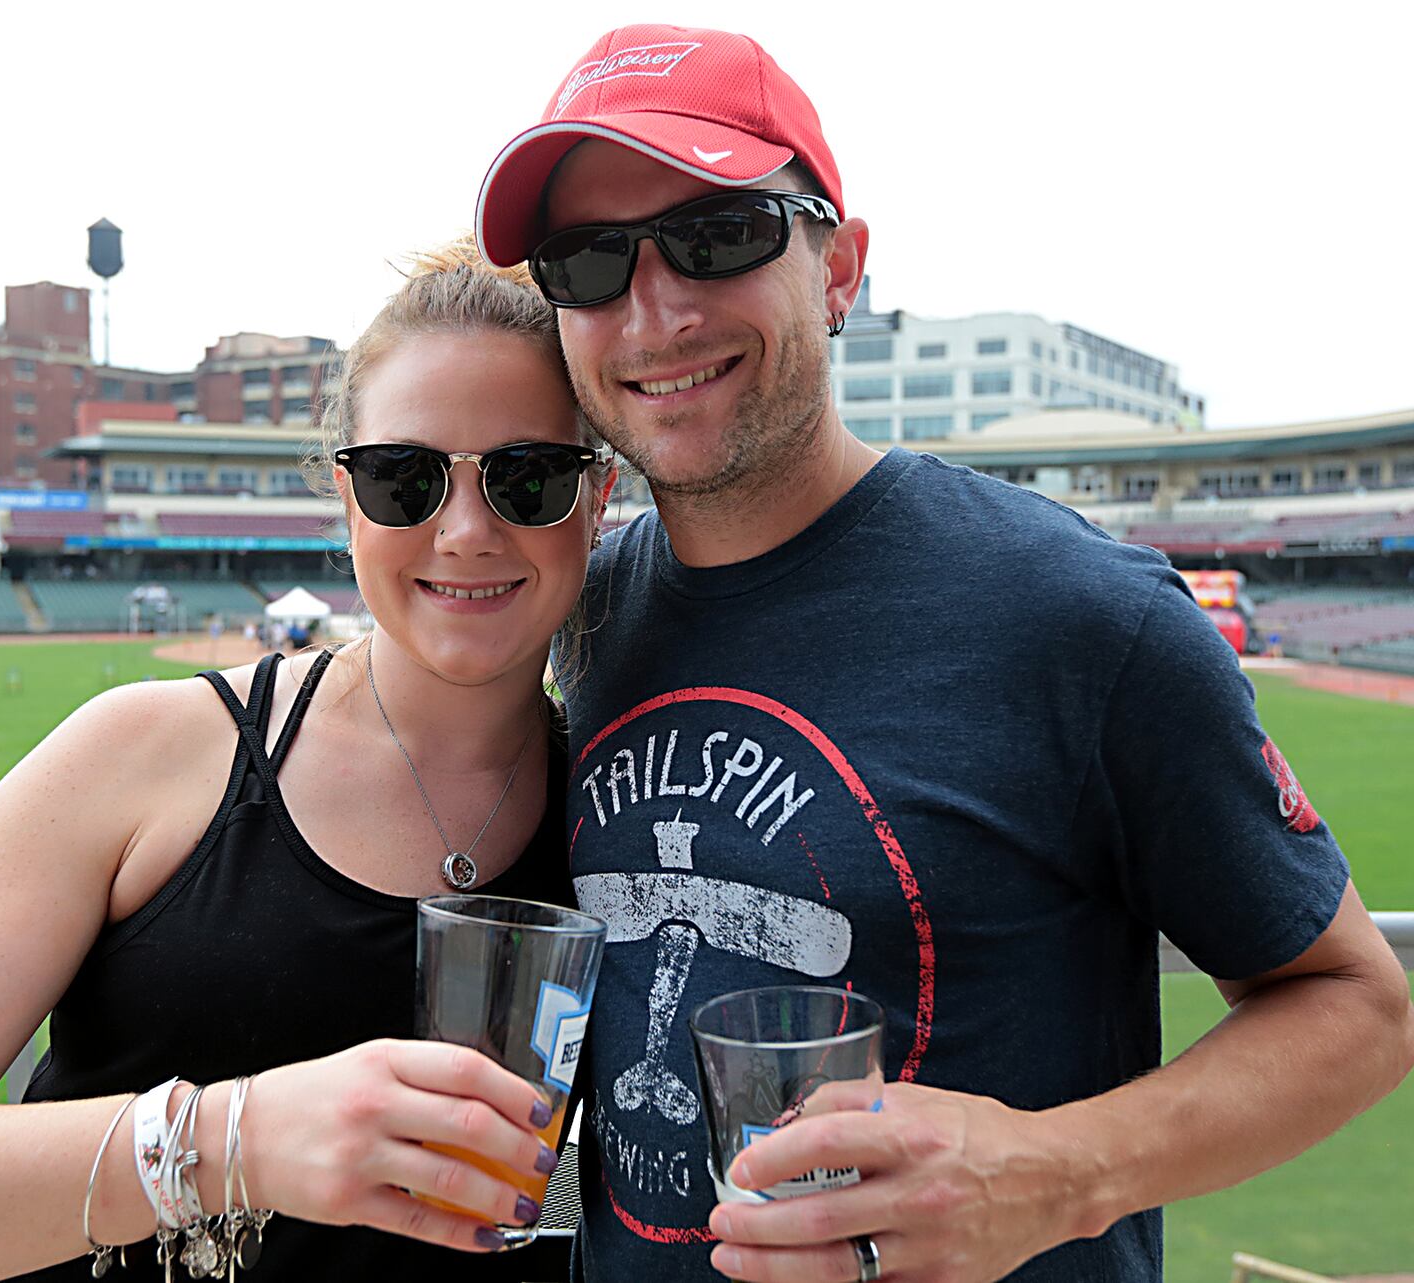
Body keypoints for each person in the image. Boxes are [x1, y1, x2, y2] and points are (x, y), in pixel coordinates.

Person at [473, 24, 1414, 1283]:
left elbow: (1356, 1005)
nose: (654, 308)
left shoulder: (1082, 613)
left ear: (841, 268)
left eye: (720, 234)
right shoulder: (583, 610)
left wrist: (1061, 1168)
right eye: (588, 262)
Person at [0, 240, 615, 1281]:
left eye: (527, 476)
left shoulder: (630, 812)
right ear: (344, 496)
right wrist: (239, 1138)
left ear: (596, 498)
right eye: (404, 475)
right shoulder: (144, 752)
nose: (464, 529)